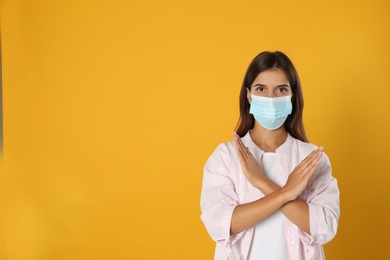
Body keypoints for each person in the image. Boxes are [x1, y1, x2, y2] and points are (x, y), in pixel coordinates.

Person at [200, 51, 340, 260]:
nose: (271, 98)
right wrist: (286, 193)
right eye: (261, 89)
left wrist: (261, 182)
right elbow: (220, 224)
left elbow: (324, 227)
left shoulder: (311, 159)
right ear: (249, 95)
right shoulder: (226, 156)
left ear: (292, 94)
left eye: (281, 90)